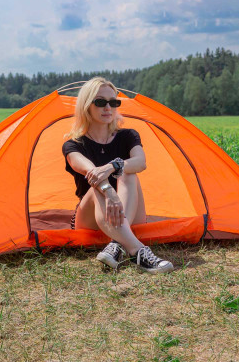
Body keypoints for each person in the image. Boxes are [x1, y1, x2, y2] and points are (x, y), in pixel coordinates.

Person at [62, 77, 174, 274]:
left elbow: (140, 162)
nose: (108, 107)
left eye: (113, 102)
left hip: (126, 212)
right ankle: (138, 251)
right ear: (86, 106)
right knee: (97, 186)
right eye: (100, 102)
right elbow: (91, 172)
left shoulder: (128, 135)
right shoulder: (73, 145)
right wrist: (110, 194)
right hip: (91, 218)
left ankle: (116, 243)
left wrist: (113, 166)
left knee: (128, 173)